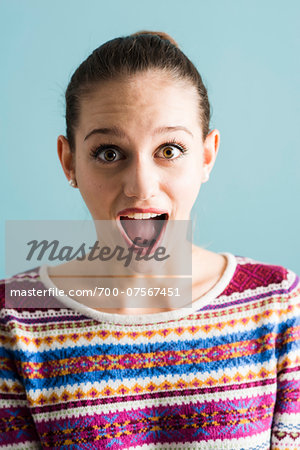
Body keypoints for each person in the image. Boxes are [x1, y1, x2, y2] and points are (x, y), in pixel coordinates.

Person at [1, 31, 299, 449]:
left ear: (207, 156)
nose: (141, 186)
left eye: (170, 149)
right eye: (109, 152)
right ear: (69, 162)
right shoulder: (12, 320)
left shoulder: (276, 303)